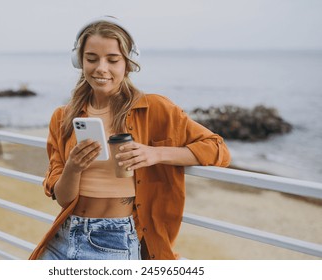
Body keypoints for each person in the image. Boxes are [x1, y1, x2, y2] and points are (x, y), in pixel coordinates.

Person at [30, 15, 231, 260]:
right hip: (62, 236)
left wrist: (154, 154)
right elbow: (63, 199)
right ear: (79, 62)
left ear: (128, 63)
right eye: (91, 59)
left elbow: (218, 149)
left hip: (114, 240)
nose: (101, 68)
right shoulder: (62, 118)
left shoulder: (156, 109)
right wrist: (72, 168)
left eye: (112, 60)